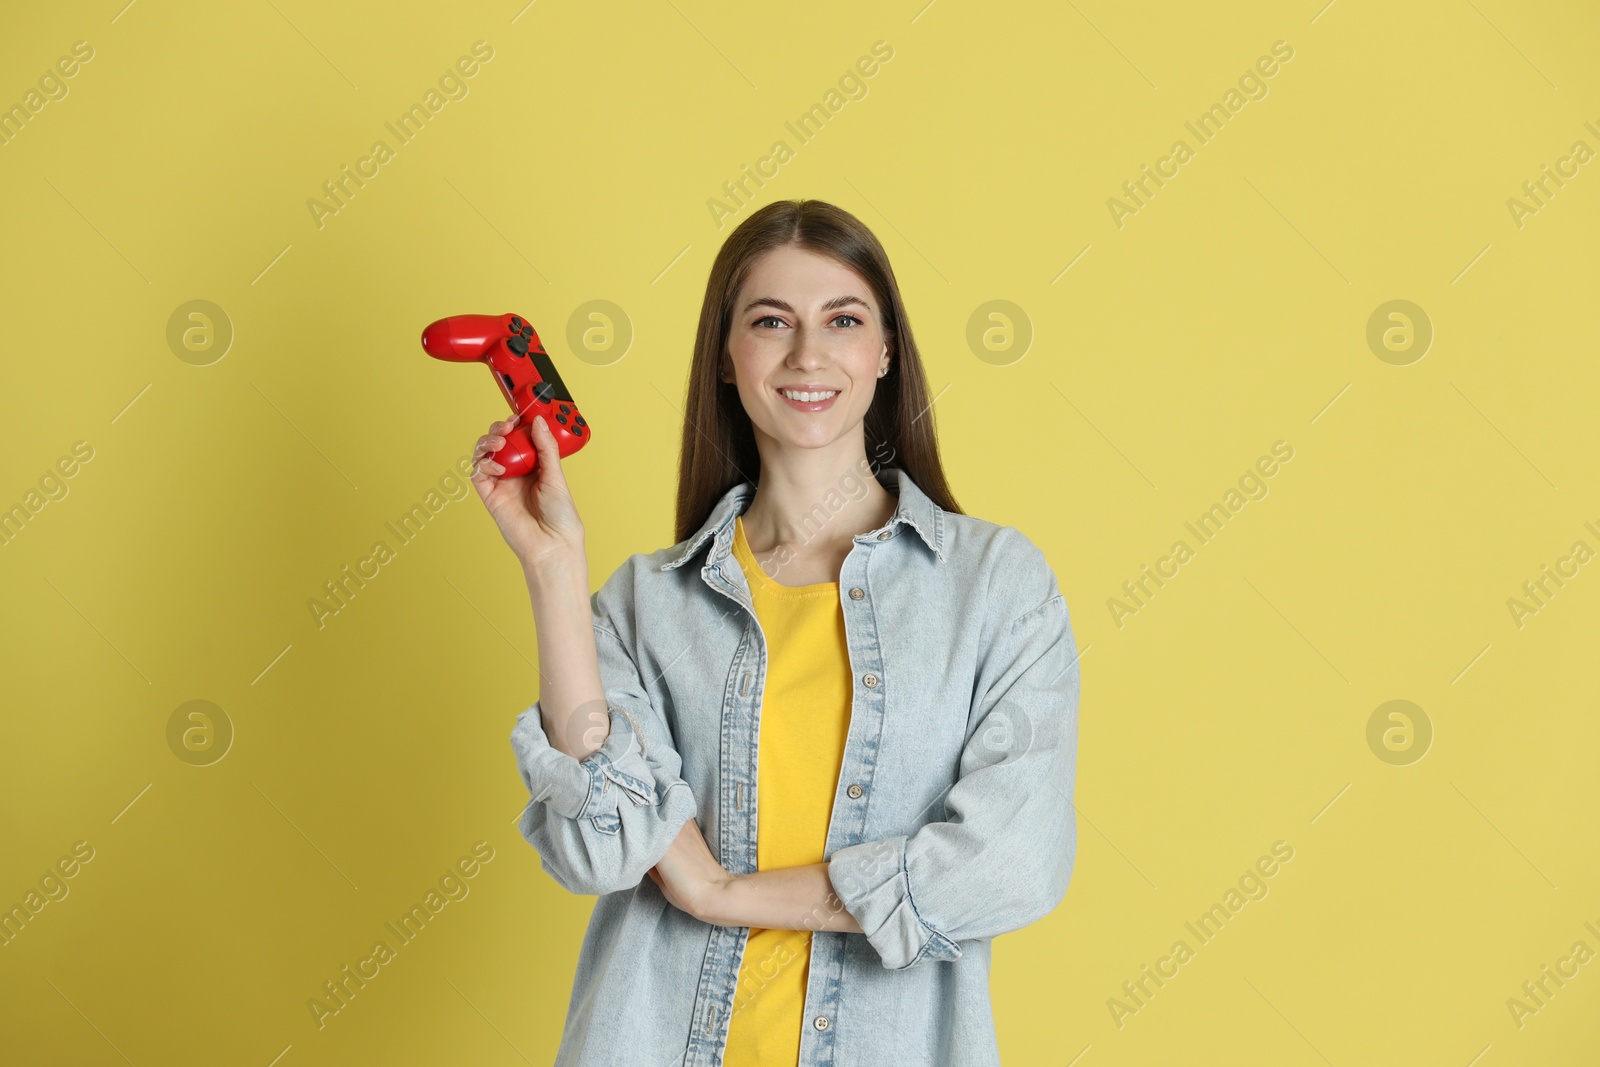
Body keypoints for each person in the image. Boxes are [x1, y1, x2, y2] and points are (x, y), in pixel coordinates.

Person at [476, 199, 1081, 1066]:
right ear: (727, 358)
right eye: (770, 321)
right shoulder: (646, 602)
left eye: (843, 320)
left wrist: (721, 891)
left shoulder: (994, 588)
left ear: (884, 354)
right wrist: (553, 568)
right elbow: (599, 845)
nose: (808, 354)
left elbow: (1012, 862)